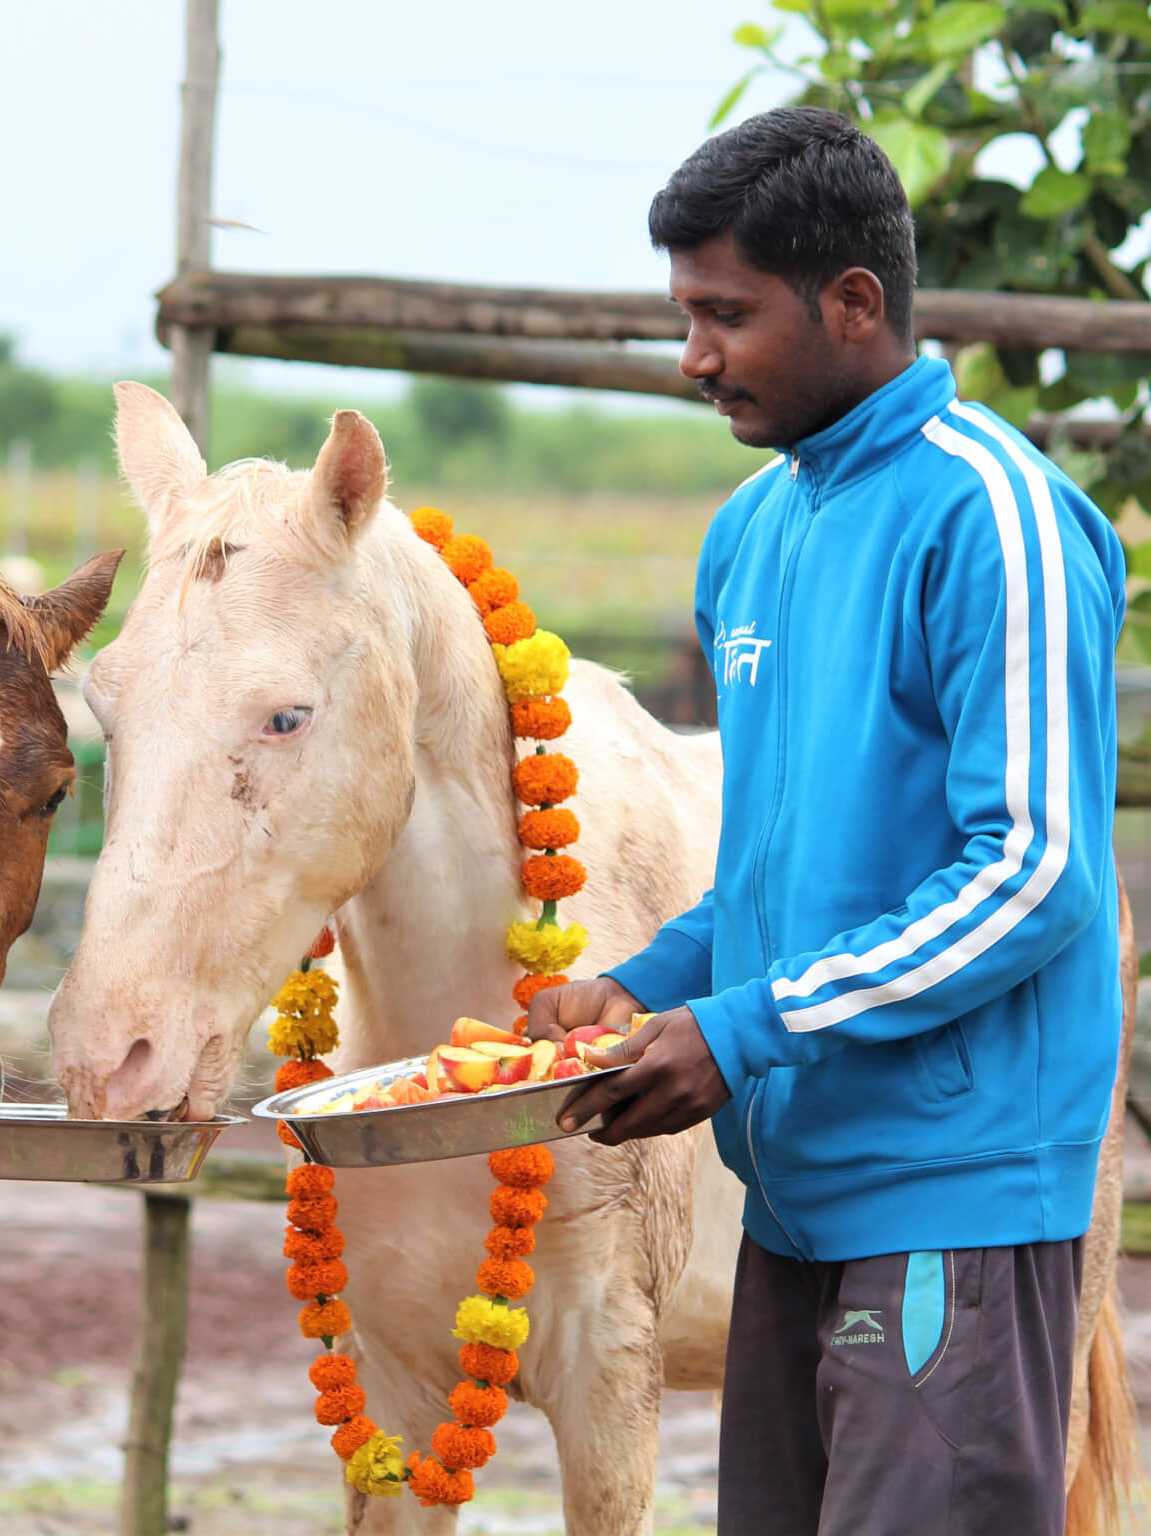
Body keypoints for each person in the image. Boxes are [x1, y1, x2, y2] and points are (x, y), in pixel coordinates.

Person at [530, 106, 1126, 1536]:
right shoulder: (755, 529)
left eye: (725, 315)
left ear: (854, 303)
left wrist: (734, 1032)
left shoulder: (997, 519)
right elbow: (790, 871)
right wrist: (645, 983)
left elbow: (1035, 874)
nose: (694, 359)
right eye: (685, 316)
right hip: (792, 1205)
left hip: (950, 1205)